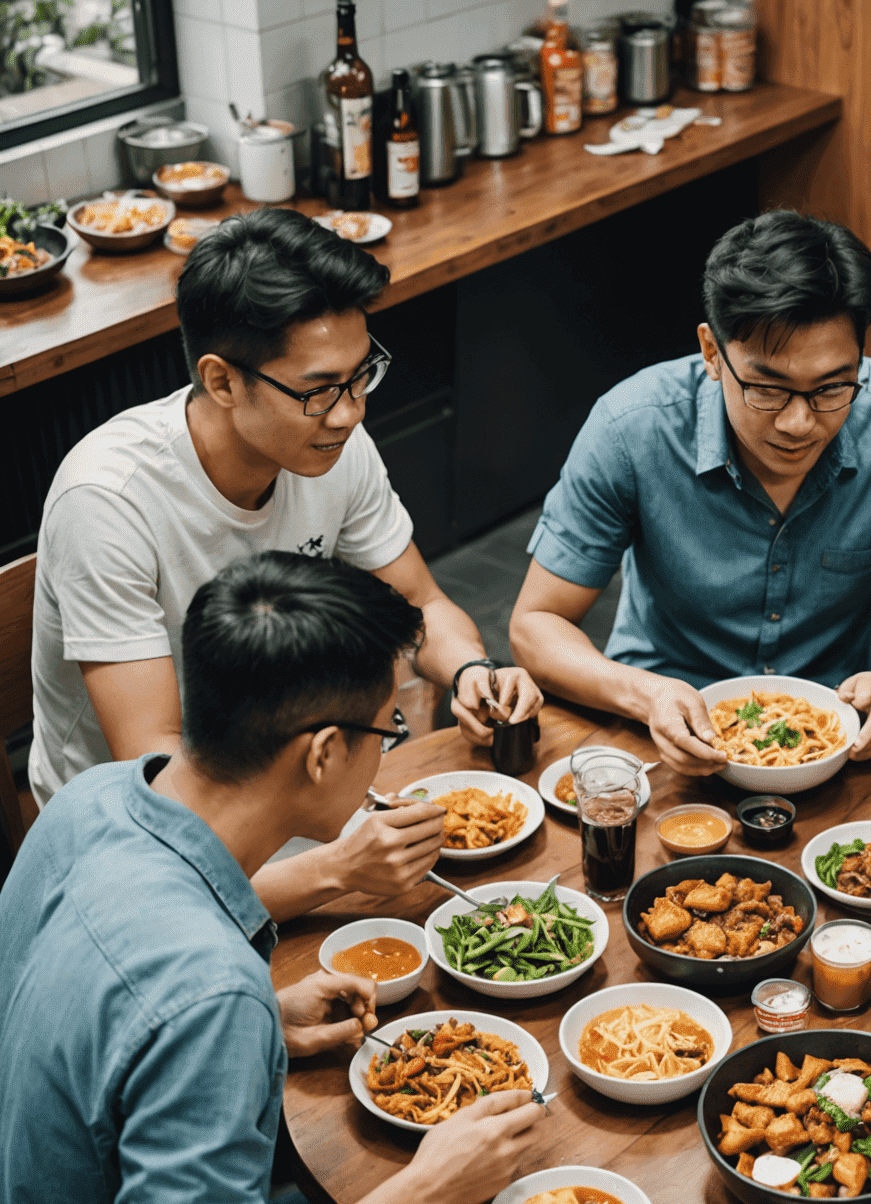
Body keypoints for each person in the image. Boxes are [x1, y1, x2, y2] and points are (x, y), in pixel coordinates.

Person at [0, 551, 602, 1204]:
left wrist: (268, 1020)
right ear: (323, 752)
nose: (388, 753)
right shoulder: (203, 990)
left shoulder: (92, 801)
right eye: (387, 730)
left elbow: (71, 1011)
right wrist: (427, 1188)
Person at [29, 206, 542, 923]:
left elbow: (422, 606)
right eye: (318, 389)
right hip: (134, 850)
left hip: (294, 783)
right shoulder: (108, 502)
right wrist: (331, 872)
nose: (350, 413)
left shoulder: (331, 442)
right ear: (221, 380)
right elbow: (157, 785)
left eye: (362, 375)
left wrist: (471, 674)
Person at [508, 209, 871, 776]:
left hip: (836, 738)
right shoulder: (631, 428)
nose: (799, 422)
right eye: (768, 388)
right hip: (652, 728)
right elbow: (535, 627)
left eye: (832, 387)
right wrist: (646, 694)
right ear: (712, 352)